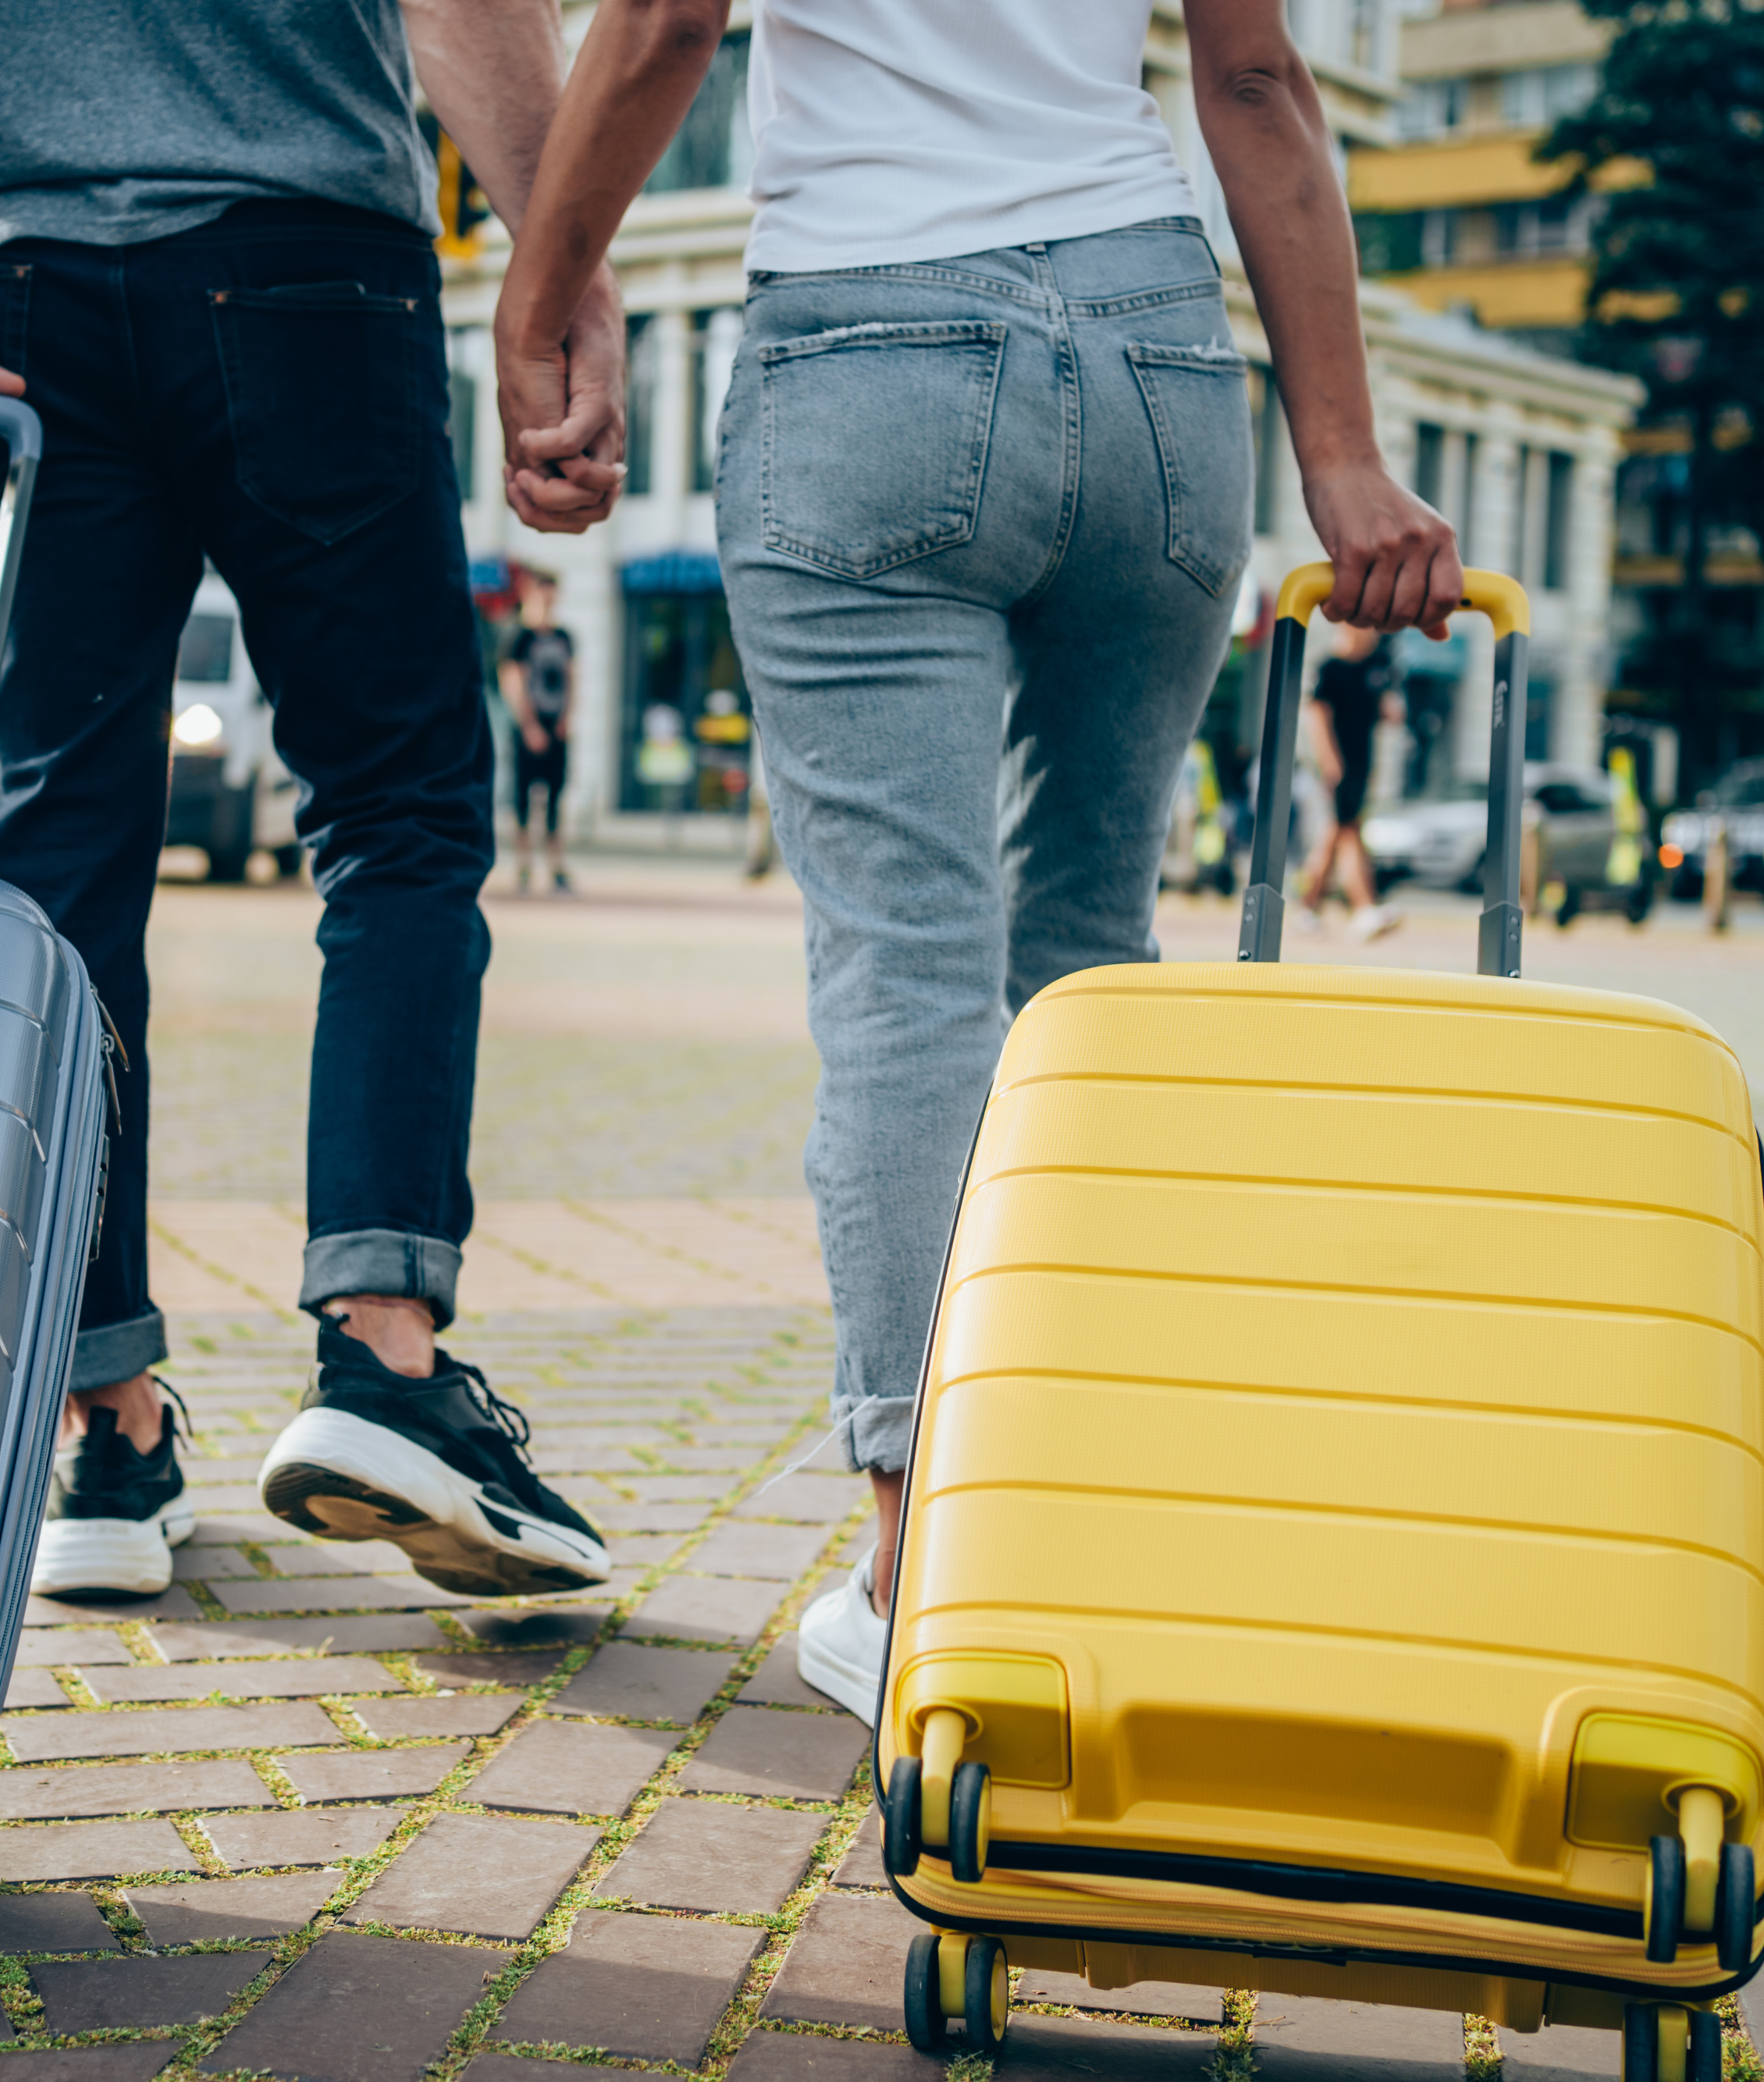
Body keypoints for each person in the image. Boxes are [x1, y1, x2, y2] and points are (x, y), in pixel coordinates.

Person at [493, 0, 1463, 1721]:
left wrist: (543, 285)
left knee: (906, 967)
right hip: (1157, 350)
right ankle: (1073, 1525)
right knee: (1085, 963)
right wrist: (1343, 457)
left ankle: (922, 1563)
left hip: (866, 337)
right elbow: (1253, 78)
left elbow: (660, 21)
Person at [0, 0, 627, 1603]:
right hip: (309, 266)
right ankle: (380, 1360)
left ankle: (104, 1422)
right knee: (396, 814)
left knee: (56, 870)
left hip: (11, 289)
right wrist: (558, 283)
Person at [1298, 623, 1403, 941]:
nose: (1372, 633)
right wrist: (1330, 763)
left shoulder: (1377, 666)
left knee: (1334, 834)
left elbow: (1388, 711)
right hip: (1338, 765)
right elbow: (1317, 716)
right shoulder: (1330, 668)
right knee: (1347, 832)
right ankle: (1363, 907)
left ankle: (1308, 907)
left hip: (1362, 763)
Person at [500, 567, 575, 894]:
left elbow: (573, 678)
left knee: (555, 798)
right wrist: (529, 725)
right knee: (523, 799)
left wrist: (567, 719)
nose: (549, 598)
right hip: (527, 730)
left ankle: (557, 866)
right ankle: (524, 866)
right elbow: (512, 682)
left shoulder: (564, 637)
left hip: (555, 727)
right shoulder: (519, 637)